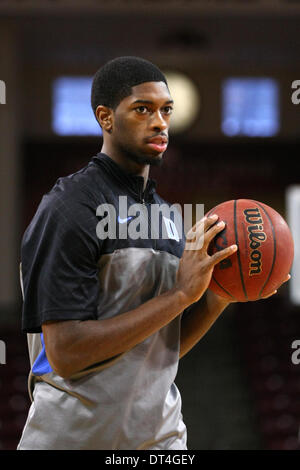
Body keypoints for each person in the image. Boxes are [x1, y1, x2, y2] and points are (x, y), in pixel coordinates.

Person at [17, 56, 284, 451]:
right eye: (143, 109)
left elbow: (159, 348)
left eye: (166, 110)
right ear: (105, 118)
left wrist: (218, 297)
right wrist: (179, 296)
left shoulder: (166, 216)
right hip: (73, 439)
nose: (160, 122)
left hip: (161, 441)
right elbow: (67, 353)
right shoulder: (70, 207)